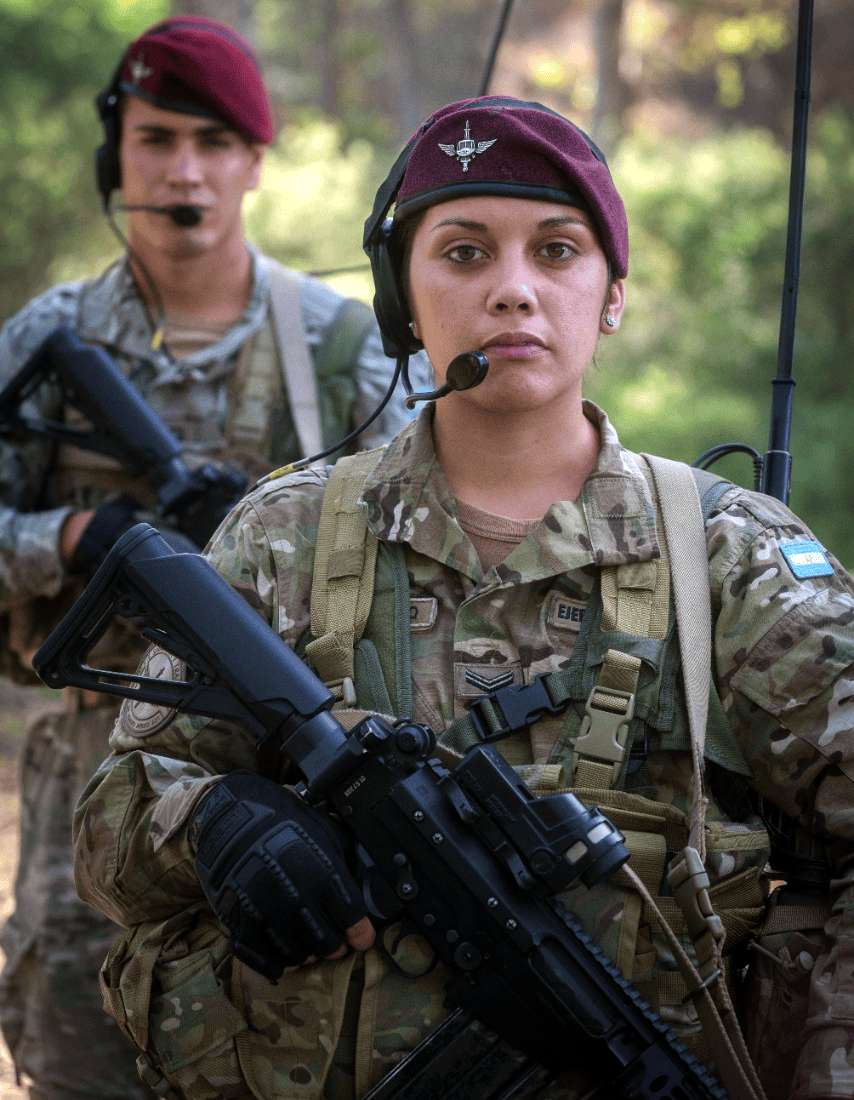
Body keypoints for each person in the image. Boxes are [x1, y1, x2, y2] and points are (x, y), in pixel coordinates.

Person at [72, 95, 854, 1100]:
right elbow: (112, 826)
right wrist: (217, 821)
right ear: (400, 300)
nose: (513, 291)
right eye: (464, 252)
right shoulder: (285, 536)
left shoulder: (728, 557)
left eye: (557, 251)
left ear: (612, 295)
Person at [0, 16, 430, 1100]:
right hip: (93, 766)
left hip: (296, 772)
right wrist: (69, 540)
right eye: (154, 139)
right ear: (116, 157)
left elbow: (428, 537)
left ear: (253, 162)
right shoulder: (49, 338)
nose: (182, 172)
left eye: (211, 142)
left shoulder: (342, 344)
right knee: (81, 1050)